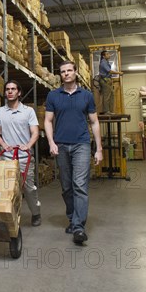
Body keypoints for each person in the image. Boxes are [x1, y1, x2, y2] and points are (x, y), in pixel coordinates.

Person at [44, 60, 102, 245]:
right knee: (67, 186)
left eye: (70, 70)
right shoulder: (53, 95)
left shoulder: (86, 95)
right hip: (61, 145)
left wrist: (98, 149)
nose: (66, 73)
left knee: (80, 185)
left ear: (75, 72)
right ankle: (72, 217)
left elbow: (94, 122)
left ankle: (78, 227)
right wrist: (51, 142)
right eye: (63, 71)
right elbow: (47, 121)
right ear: (60, 75)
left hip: (82, 145)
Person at [0, 80, 41, 227]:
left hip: (24, 157)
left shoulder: (28, 111)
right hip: (7, 157)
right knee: (6, 187)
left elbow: (35, 132)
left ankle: (35, 213)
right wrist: (4, 145)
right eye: (7, 89)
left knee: (28, 188)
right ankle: (9, 215)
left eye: (13, 89)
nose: (10, 91)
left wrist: (28, 145)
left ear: (19, 92)